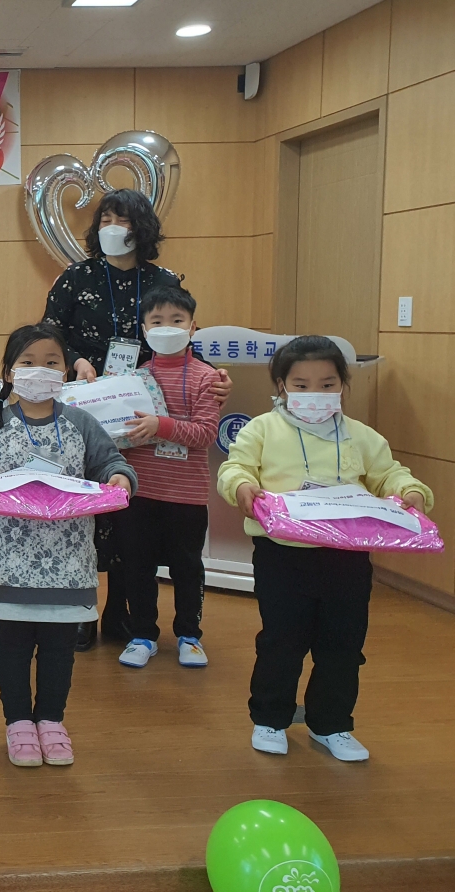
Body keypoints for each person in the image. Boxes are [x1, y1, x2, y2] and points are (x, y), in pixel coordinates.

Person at [219, 336, 432, 763]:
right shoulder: (262, 429)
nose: (314, 394)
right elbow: (235, 467)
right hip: (283, 553)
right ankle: (270, 718)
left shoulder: (361, 436)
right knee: (282, 640)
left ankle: (331, 723)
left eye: (327, 384)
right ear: (281, 386)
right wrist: (241, 485)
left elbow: (389, 474)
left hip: (346, 558)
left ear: (343, 387)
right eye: (301, 385)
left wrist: (410, 491)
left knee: (343, 644)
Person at [41, 188, 230, 651]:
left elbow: (182, 336)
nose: (113, 227)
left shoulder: (163, 279)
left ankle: (120, 613)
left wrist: (215, 378)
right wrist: (76, 359)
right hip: (89, 402)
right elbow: (49, 333)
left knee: (130, 519)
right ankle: (83, 611)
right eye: (106, 218)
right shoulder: (76, 277)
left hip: (144, 410)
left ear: (141, 227)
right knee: (85, 514)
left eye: (123, 220)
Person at [0, 324, 135, 768]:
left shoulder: (80, 422)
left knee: (59, 646)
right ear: (9, 372)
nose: (40, 370)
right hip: (9, 561)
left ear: (66, 370)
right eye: (28, 362)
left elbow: (112, 462)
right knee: (13, 645)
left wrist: (119, 478)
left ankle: (52, 721)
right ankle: (17, 723)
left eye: (51, 362)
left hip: (69, 562)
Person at [110, 286, 220, 669]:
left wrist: (161, 425)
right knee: (137, 568)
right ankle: (143, 635)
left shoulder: (207, 378)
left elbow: (206, 433)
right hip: (140, 492)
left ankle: (190, 636)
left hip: (187, 496)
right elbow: (119, 435)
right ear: (144, 329)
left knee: (187, 568)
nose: (167, 327)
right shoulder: (132, 378)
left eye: (177, 320)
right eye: (157, 321)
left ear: (193, 327)